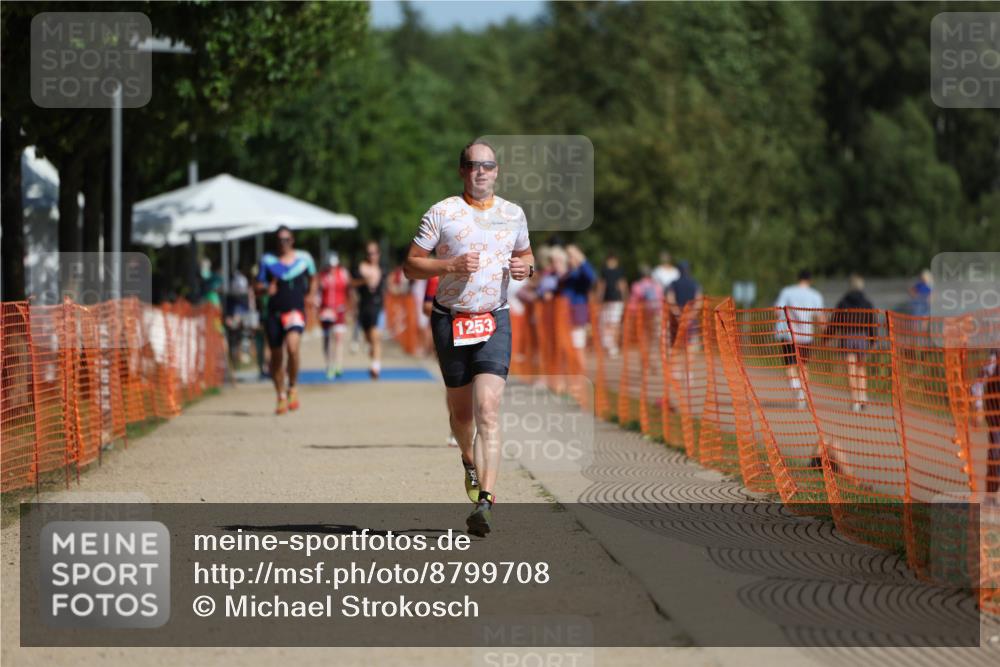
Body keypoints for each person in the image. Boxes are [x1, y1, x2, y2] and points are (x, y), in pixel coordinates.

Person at [404, 139, 534, 537]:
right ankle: (468, 458)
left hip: (494, 319)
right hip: (451, 319)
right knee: (463, 417)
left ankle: (486, 502)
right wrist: (449, 264)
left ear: (497, 171)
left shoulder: (513, 214)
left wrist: (523, 270)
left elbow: (528, 257)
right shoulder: (442, 213)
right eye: (474, 166)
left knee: (488, 410)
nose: (481, 172)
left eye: (488, 166)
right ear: (463, 171)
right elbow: (410, 266)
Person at [256, 226, 317, 414]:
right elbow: (257, 286)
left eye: (287, 239)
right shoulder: (267, 261)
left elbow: (313, 278)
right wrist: (266, 290)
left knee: (292, 348)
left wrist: (311, 294)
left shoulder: (304, 259)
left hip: (294, 311)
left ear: (293, 240)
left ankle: (293, 386)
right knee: (276, 357)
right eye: (280, 240)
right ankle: (280, 395)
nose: (284, 243)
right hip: (273, 313)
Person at [774, 270, 825, 468]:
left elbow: (776, 309)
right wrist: (825, 331)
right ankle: (803, 394)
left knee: (789, 365)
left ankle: (797, 392)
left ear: (798, 278)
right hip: (806, 336)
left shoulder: (787, 291)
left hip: (788, 334)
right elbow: (820, 317)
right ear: (810, 280)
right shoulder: (815, 295)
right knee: (804, 366)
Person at [831, 274, 876, 413]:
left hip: (847, 336)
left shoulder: (843, 302)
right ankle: (862, 396)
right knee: (861, 368)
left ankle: (855, 400)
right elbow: (872, 323)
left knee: (851, 370)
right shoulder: (867, 303)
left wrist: (828, 336)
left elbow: (835, 321)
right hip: (862, 337)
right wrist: (873, 340)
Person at [353, 240, 386, 380]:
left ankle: (376, 367)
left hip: (378, 306)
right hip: (364, 306)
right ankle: (374, 358)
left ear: (378, 254)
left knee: (375, 336)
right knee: (369, 338)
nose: (372, 256)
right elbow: (352, 283)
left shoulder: (383, 269)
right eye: (369, 253)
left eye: (374, 253)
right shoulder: (361, 268)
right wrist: (364, 281)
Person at [318, 251, 353, 379]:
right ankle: (329, 365)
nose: (332, 268)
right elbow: (318, 292)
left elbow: (349, 290)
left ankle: (339, 365)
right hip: (326, 310)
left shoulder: (343, 274)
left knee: (338, 337)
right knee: (328, 337)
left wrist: (350, 307)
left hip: (340, 310)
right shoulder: (322, 276)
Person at [972, 349, 1000, 494]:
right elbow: (978, 383)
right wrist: (978, 408)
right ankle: (991, 497)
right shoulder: (995, 358)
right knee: (996, 456)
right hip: (996, 418)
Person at [560, 245, 596, 355]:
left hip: (578, 309)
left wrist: (580, 259)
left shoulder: (581, 272)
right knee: (568, 343)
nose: (569, 259)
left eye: (571, 256)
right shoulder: (569, 273)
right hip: (566, 310)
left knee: (577, 343)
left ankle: (578, 369)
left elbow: (592, 277)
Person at [596, 252, 627, 357]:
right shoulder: (604, 271)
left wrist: (624, 298)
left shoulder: (619, 271)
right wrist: (599, 298)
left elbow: (621, 284)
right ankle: (609, 345)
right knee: (608, 323)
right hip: (608, 300)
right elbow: (602, 285)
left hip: (616, 301)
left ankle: (613, 346)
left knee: (614, 323)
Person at [666, 260, 702, 346]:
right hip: (691, 318)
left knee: (675, 346)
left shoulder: (673, 284)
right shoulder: (695, 284)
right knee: (692, 347)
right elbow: (699, 302)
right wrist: (690, 316)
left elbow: (670, 300)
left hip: (676, 319)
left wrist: (678, 315)